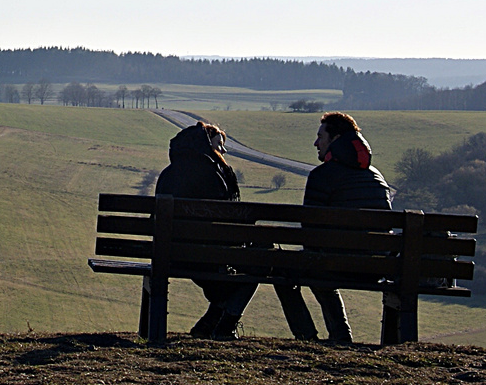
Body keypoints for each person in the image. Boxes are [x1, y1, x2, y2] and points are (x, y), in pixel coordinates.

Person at [274, 110, 392, 344]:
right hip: (376, 267)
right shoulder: (377, 177)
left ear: (335, 139)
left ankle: (308, 337)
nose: (316, 142)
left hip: (334, 264)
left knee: (287, 268)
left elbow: (310, 232)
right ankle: (340, 335)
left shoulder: (322, 176)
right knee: (321, 261)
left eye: (321, 136)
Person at [154, 121, 257, 339]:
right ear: (205, 145)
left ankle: (211, 323)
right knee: (260, 263)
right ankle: (224, 325)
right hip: (209, 257)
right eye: (219, 144)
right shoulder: (215, 175)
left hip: (170, 255)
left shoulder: (168, 174)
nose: (223, 150)